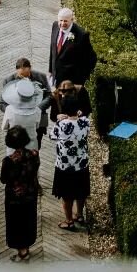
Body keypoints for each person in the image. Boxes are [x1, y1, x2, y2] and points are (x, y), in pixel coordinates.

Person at [49, 83, 91, 230]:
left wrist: (60, 119)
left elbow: (52, 136)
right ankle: (79, 214)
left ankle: (69, 221)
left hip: (64, 166)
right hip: (81, 164)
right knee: (81, 192)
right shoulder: (85, 122)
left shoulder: (60, 125)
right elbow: (84, 121)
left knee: (67, 196)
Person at [0, 125, 41, 261]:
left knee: (16, 223)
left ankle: (22, 252)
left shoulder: (8, 161)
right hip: (30, 194)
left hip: (14, 197)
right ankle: (27, 246)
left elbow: (3, 179)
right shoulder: (34, 154)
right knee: (28, 219)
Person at [0, 56, 53, 145]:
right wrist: (15, 111)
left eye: (27, 74)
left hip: (38, 121)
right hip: (16, 124)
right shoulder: (8, 81)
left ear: (30, 68)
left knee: (36, 146)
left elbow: (49, 95)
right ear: (17, 71)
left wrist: (38, 109)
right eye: (21, 76)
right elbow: (2, 104)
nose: (25, 78)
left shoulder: (41, 76)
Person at [48, 7, 97, 88]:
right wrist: (50, 71)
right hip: (56, 79)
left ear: (72, 20)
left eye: (65, 21)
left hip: (71, 82)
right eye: (60, 20)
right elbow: (52, 49)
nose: (62, 23)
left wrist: (81, 81)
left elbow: (91, 58)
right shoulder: (55, 26)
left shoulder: (81, 35)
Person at [1, 76, 46, 152]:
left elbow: (4, 127)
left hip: (14, 146)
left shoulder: (9, 109)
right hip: (31, 146)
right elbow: (37, 126)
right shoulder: (37, 110)